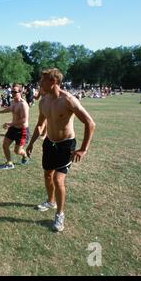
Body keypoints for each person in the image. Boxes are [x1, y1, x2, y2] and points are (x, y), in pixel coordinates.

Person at [26, 69, 95, 232]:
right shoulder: (43, 101)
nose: (40, 84)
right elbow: (40, 124)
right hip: (49, 143)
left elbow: (90, 123)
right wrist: (31, 144)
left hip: (66, 145)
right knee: (47, 174)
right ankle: (51, 201)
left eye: (43, 81)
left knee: (58, 179)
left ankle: (60, 214)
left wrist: (83, 149)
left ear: (54, 82)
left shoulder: (68, 100)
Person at [0, 84, 30, 169]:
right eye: (12, 91)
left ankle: (25, 155)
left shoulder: (23, 104)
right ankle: (9, 163)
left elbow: (24, 120)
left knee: (17, 151)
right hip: (13, 128)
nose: (13, 93)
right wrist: (0, 112)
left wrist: (10, 124)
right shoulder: (13, 101)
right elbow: (10, 108)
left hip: (22, 130)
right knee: (5, 145)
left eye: (15, 92)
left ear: (20, 92)